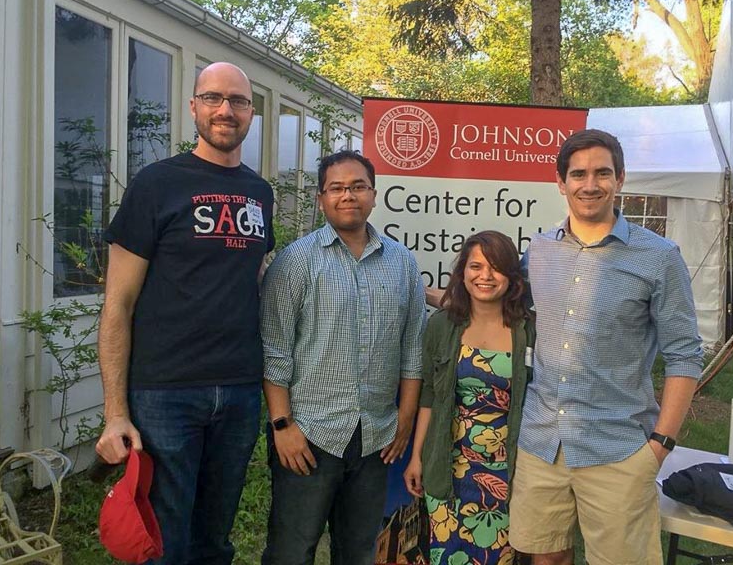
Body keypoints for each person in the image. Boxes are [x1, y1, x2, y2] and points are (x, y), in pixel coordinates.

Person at [95, 62, 274, 564]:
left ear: (251, 113)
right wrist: (115, 413)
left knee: (214, 540)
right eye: (213, 98)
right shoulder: (156, 184)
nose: (226, 110)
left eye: (238, 101)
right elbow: (118, 304)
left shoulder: (261, 194)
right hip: (164, 393)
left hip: (239, 389)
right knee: (163, 542)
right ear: (193, 107)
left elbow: (248, 281)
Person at [509, 129, 703, 565]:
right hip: (543, 441)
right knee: (546, 557)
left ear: (620, 179)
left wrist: (660, 444)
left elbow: (685, 354)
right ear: (561, 183)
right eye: (578, 174)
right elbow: (494, 303)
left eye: (602, 173)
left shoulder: (660, 257)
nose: (590, 184)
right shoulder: (539, 251)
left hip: (618, 447)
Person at [260, 150, 427, 565]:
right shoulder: (296, 261)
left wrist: (404, 418)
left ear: (373, 194)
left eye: (357, 186)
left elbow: (412, 348)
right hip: (308, 436)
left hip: (375, 436)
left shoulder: (402, 264)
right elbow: (274, 348)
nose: (347, 195)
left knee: (358, 551)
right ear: (321, 198)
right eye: (336, 188)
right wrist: (282, 425)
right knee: (291, 551)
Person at [404, 231, 532, 565]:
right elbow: (430, 395)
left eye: (495, 267)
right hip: (449, 467)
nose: (485, 276)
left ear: (512, 277)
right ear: (463, 273)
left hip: (508, 472)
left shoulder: (529, 331)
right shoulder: (443, 326)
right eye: (476, 266)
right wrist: (417, 456)